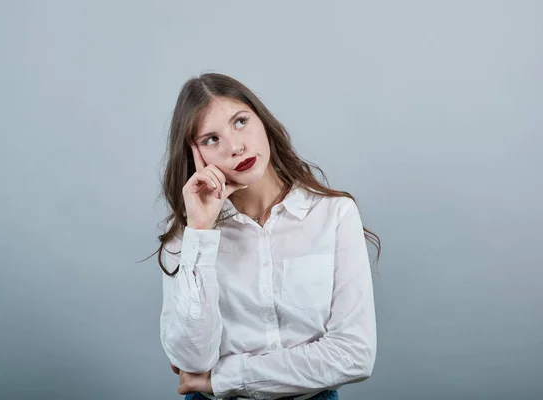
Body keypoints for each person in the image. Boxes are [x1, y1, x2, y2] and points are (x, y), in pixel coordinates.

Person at [148, 72, 381, 400]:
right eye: (210, 139)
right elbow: (190, 360)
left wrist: (223, 378)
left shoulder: (334, 214)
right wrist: (200, 233)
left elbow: (354, 355)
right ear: (194, 154)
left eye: (240, 122)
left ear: (263, 120)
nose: (235, 146)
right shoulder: (188, 235)